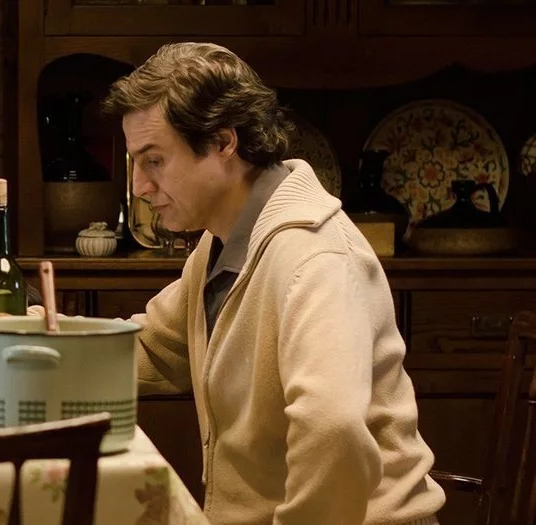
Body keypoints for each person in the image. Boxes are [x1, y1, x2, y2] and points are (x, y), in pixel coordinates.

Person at [100, 43, 443, 524]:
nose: (139, 185)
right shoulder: (223, 240)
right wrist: (9, 335)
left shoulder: (313, 258)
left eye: (153, 160)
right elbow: (153, 350)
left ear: (223, 142)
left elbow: (332, 428)